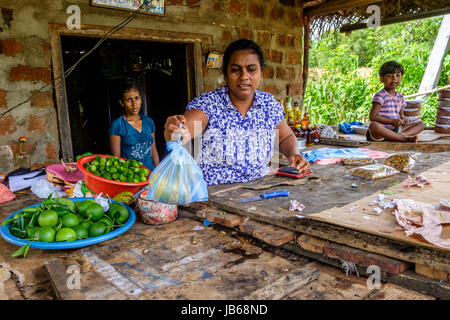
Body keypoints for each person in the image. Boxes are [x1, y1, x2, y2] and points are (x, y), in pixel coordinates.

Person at [163, 39, 310, 185]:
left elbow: (285, 137)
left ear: (261, 73)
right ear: (226, 75)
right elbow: (186, 128)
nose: (244, 76)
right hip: (217, 195)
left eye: (251, 69)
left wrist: (294, 154)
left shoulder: (268, 104)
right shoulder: (209, 103)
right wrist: (177, 131)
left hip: (261, 188)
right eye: (235, 69)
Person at [367, 61, 424, 142]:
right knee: (374, 126)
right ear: (382, 78)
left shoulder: (400, 97)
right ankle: (403, 139)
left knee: (421, 124)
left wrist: (403, 119)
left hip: (395, 129)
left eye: (397, 75)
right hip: (381, 132)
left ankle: (398, 136)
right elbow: (373, 116)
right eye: (389, 76)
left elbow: (400, 113)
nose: (394, 79)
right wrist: (391, 121)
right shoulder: (381, 96)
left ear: (401, 78)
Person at [109, 83, 159, 171]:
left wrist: (159, 170)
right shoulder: (118, 125)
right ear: (122, 103)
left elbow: (153, 150)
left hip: (152, 173)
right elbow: (116, 159)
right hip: (132, 176)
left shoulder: (149, 122)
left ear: (141, 99)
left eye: (136, 98)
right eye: (129, 100)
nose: (134, 104)